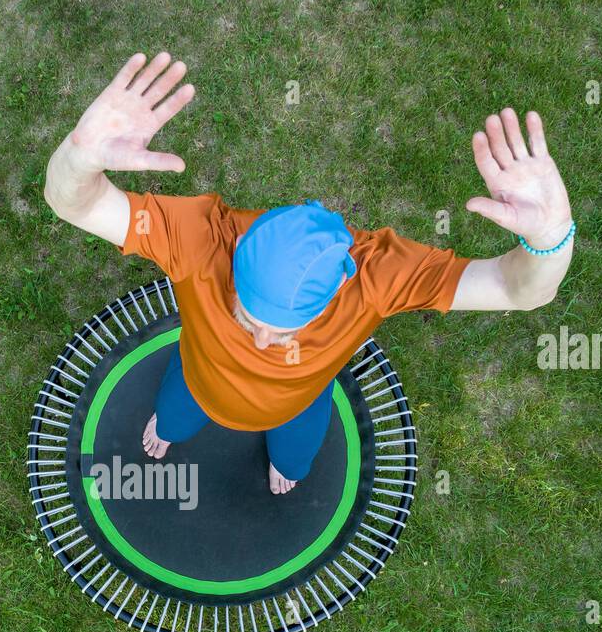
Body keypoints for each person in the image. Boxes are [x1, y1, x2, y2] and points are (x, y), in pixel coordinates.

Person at [43, 53, 574, 494]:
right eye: (248, 319)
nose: (264, 342)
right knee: (172, 420)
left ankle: (286, 461)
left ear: (340, 286)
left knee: (293, 464)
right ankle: (178, 422)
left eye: (281, 329)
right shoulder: (201, 239)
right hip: (198, 379)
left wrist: (550, 238)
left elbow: (516, 288)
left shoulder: (379, 277)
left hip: (301, 399)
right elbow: (75, 205)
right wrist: (80, 156)